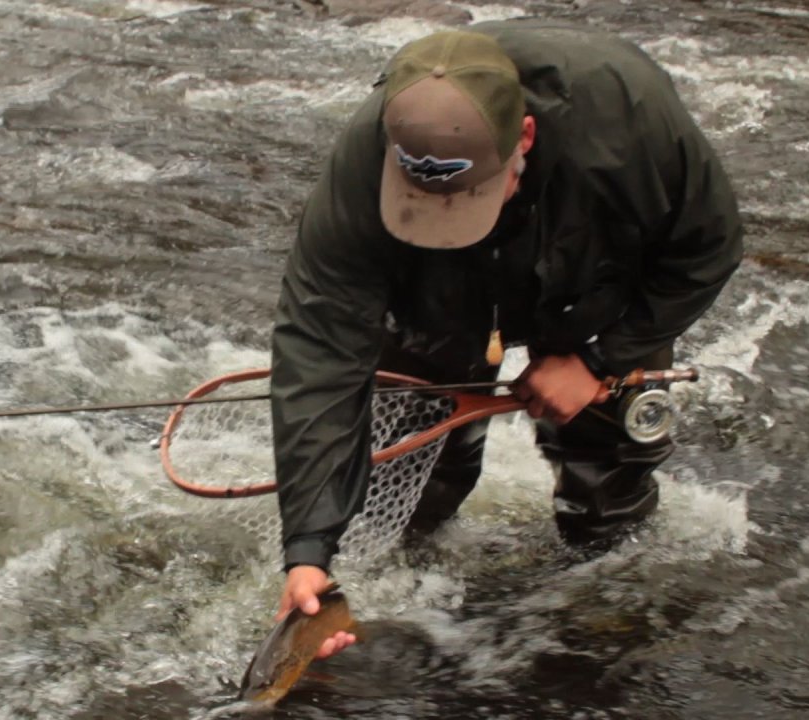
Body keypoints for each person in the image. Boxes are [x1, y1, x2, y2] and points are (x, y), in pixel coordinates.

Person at [267, 20, 744, 658]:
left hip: (599, 278)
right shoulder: (365, 160)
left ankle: (603, 640)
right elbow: (321, 348)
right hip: (440, 293)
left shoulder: (632, 127)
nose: (453, 221)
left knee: (609, 493)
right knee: (415, 485)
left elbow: (707, 250)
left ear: (525, 135)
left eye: (472, 195)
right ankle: (411, 635)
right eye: (427, 199)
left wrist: (600, 358)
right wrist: (307, 549)